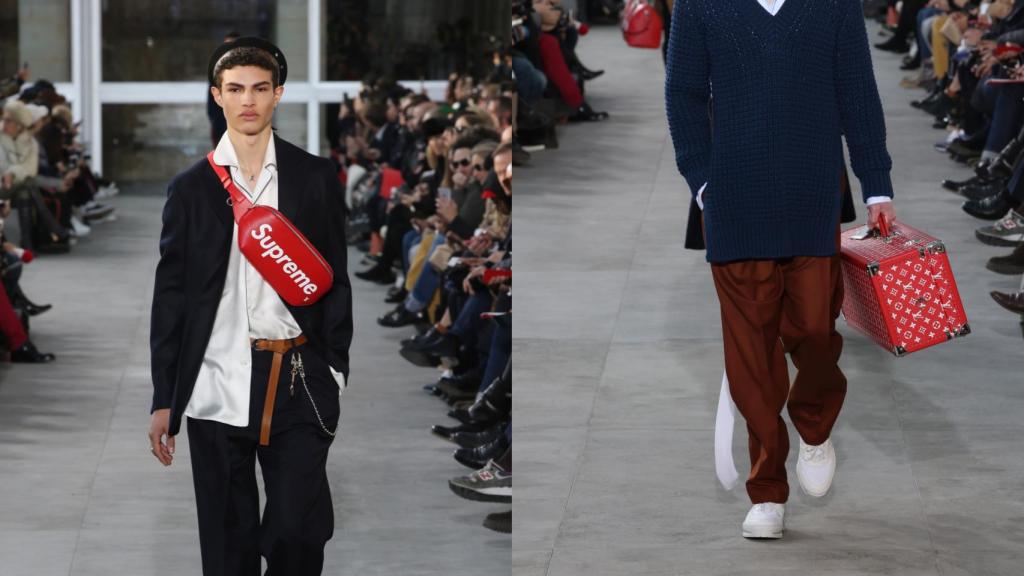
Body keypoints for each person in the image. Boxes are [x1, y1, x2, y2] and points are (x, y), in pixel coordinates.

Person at [665, 0, 897, 539]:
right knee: (752, 351)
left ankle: (814, 428)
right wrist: (702, 182)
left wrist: (877, 183)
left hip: (812, 192)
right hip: (733, 200)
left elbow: (857, 91)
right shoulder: (700, 6)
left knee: (815, 329)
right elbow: (683, 93)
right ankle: (767, 490)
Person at [148, 37, 353, 574]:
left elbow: (337, 280)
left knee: (298, 530)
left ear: (277, 94)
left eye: (260, 89)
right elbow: (171, 298)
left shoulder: (314, 178)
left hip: (300, 376)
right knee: (225, 544)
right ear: (218, 96)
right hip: (216, 380)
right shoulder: (191, 189)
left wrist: (336, 367)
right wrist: (164, 396)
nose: (248, 101)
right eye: (235, 89)